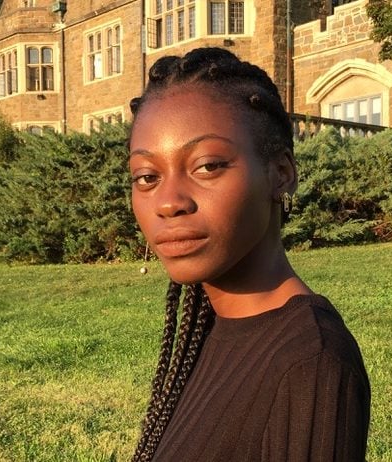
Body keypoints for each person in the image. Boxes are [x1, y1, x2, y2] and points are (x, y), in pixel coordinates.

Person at [128, 47, 370, 462]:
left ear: (280, 174)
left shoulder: (312, 365)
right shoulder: (209, 324)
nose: (168, 203)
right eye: (147, 177)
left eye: (207, 166)